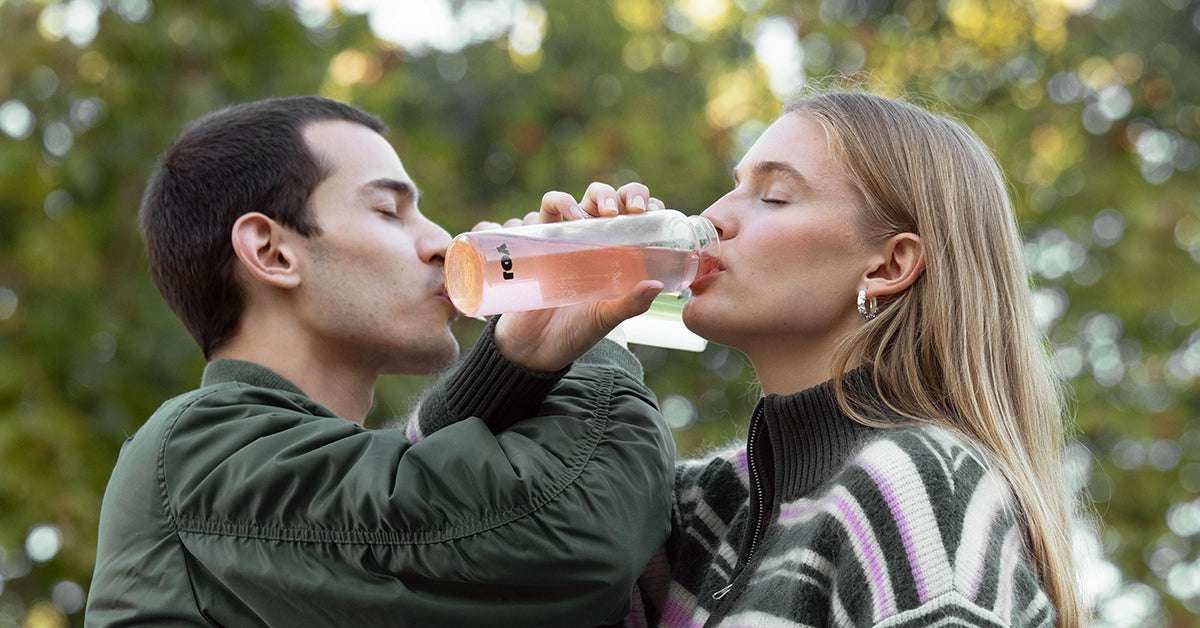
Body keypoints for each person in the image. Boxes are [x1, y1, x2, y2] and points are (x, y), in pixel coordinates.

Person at [85, 95, 677, 627]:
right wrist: (590, 332)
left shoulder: (255, 474)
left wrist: (524, 359)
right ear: (272, 251)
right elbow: (564, 539)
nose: (441, 243)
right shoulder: (200, 455)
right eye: (389, 211)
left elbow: (424, 494)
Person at [564, 91, 1081, 627]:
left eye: (774, 197)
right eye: (734, 186)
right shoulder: (706, 509)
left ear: (889, 266)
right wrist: (539, 353)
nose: (712, 217)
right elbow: (514, 571)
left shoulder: (917, 488)